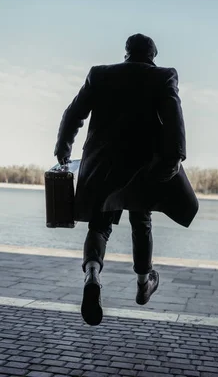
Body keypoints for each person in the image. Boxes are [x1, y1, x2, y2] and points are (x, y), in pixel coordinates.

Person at [54, 33, 199, 326]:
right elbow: (175, 122)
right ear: (151, 56)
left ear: (126, 53)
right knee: (141, 221)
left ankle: (92, 273)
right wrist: (173, 160)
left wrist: (63, 149)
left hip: (100, 165)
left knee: (99, 225)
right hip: (140, 168)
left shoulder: (100, 75)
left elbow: (73, 115)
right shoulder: (163, 77)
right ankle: (144, 282)